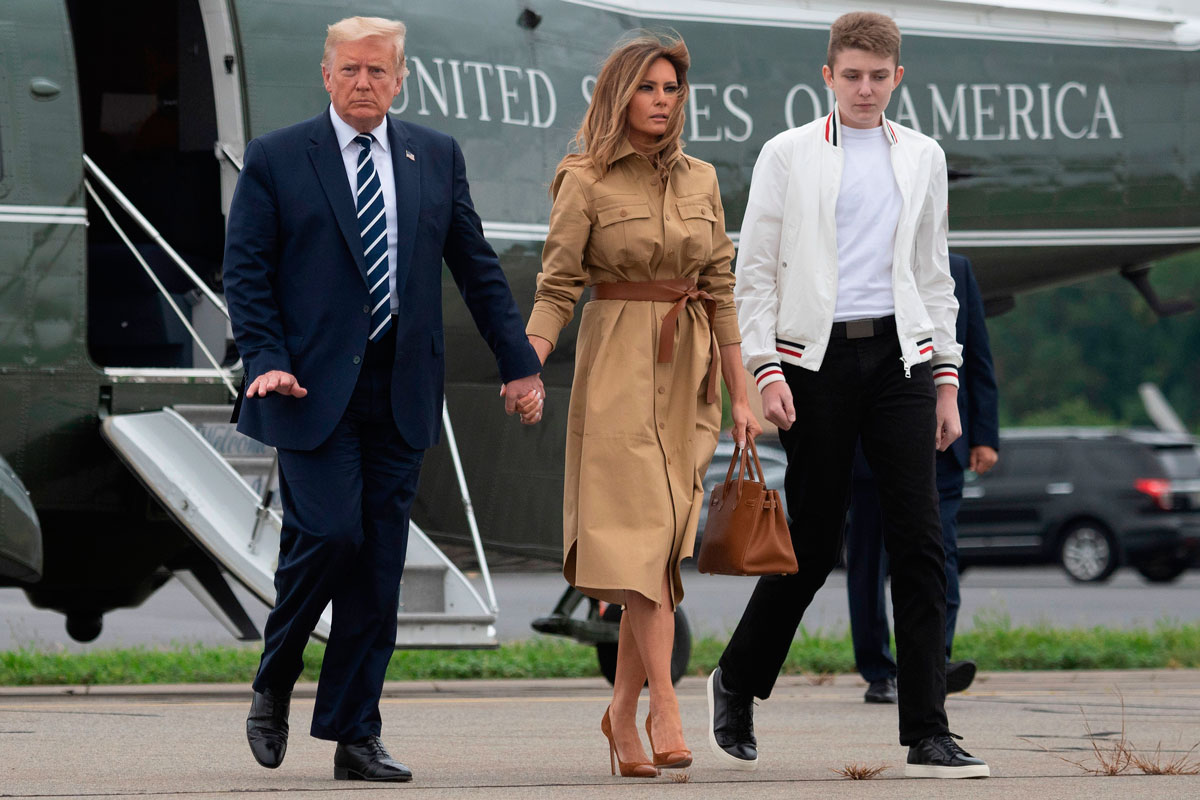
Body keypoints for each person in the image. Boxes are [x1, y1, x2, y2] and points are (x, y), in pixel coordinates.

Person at [223, 16, 544, 783]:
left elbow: (476, 266)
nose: (364, 83)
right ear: (326, 75)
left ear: (400, 79)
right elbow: (247, 270)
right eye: (351, 70)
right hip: (308, 388)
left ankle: (354, 734)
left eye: (379, 72)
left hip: (401, 387)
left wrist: (519, 364)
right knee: (330, 536)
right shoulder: (277, 158)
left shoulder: (433, 155)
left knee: (378, 568)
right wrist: (264, 357)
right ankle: (275, 675)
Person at [706, 12, 990, 779]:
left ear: (898, 78)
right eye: (851, 75)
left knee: (921, 543)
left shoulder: (922, 156)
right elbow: (754, 271)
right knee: (813, 546)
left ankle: (928, 731)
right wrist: (764, 368)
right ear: (827, 77)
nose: (865, 89)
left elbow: (934, 277)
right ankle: (736, 679)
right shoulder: (789, 154)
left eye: (878, 76)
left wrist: (946, 382)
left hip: (902, 363)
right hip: (813, 364)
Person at [524, 33, 759, 778]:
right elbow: (557, 286)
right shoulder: (583, 178)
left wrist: (743, 391)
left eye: (672, 89)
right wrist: (522, 366)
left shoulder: (703, 180)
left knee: (655, 551)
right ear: (618, 94)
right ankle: (666, 703)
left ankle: (620, 714)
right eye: (649, 88)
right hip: (618, 365)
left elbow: (721, 288)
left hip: (689, 371)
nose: (663, 101)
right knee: (645, 545)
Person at [845, 253, 1000, 705]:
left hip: (942, 444)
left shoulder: (960, 268)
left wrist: (984, 435)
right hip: (872, 448)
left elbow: (976, 350)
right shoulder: (866, 254)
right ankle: (878, 669)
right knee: (869, 561)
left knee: (941, 552)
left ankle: (936, 660)